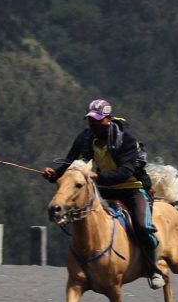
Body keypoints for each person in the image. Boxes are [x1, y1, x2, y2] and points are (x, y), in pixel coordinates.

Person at [43, 99, 165, 289]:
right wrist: (55, 175)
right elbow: (69, 161)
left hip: (133, 189)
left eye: (98, 120)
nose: (93, 124)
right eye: (91, 120)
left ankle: (153, 269)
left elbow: (125, 172)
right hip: (106, 189)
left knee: (142, 227)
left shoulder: (126, 141)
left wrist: (98, 176)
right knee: (82, 212)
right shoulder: (85, 137)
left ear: (108, 119)